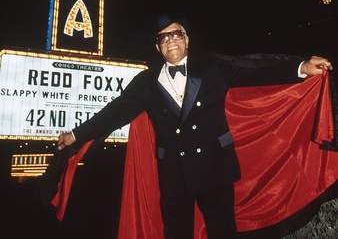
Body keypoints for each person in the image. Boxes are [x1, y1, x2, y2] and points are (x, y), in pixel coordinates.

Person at [58, 14, 332, 239]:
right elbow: (113, 114)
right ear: (158, 47)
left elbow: (255, 69)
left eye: (176, 34)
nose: (170, 41)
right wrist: (76, 135)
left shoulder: (212, 66)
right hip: (174, 175)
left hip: (216, 168)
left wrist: (301, 67)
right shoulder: (145, 82)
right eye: (163, 38)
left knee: (222, 232)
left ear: (187, 40)